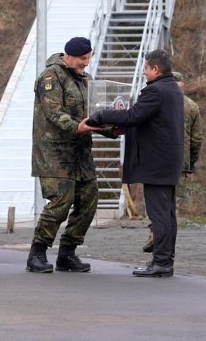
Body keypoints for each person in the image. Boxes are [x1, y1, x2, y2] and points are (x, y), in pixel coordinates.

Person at [89, 49, 183, 277]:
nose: (144, 74)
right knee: (167, 213)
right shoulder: (173, 89)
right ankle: (165, 261)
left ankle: (160, 263)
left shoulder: (156, 92)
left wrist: (101, 115)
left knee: (159, 214)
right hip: (169, 161)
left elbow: (133, 117)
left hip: (157, 163)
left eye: (145, 70)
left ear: (155, 69)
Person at [27, 36, 115, 273]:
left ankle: (67, 253)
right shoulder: (50, 77)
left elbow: (95, 114)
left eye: (88, 58)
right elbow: (54, 113)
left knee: (89, 200)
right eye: (82, 58)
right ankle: (38, 252)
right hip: (55, 153)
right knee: (60, 202)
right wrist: (77, 126)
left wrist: (114, 127)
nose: (86, 63)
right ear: (70, 56)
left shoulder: (87, 80)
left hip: (81, 153)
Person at [142, 70, 203, 253]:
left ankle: (157, 238)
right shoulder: (191, 106)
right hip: (181, 163)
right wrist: (191, 162)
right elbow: (197, 138)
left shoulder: (157, 100)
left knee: (157, 204)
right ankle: (165, 247)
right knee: (169, 206)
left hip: (159, 160)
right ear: (182, 84)